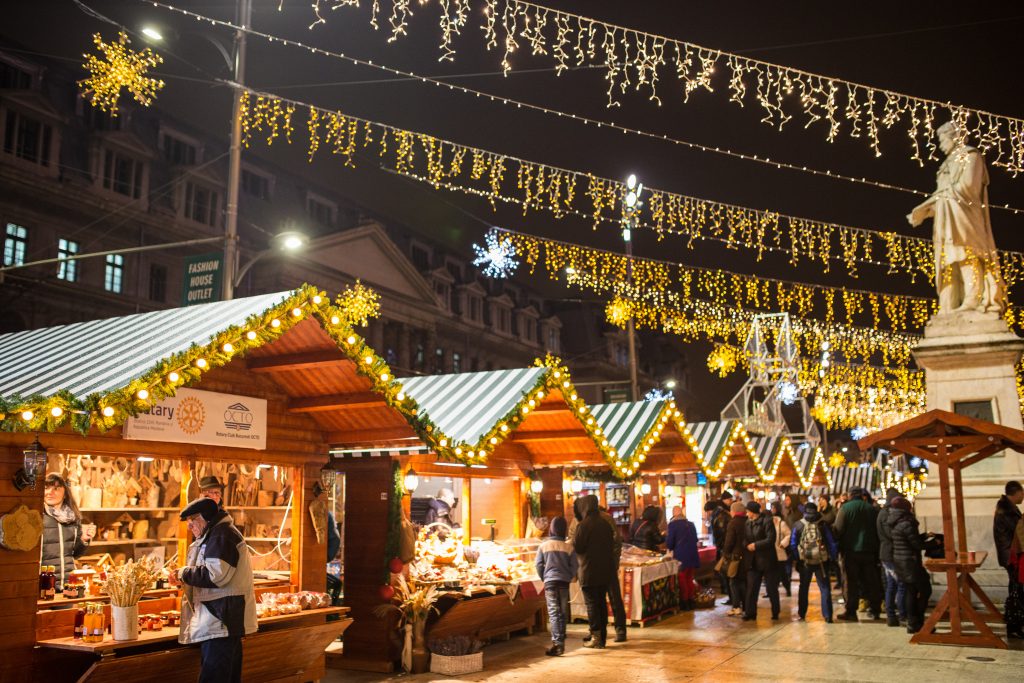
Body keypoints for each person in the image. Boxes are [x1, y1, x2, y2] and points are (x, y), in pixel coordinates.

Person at [908, 120, 1004, 313]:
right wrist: (927, 209)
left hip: (966, 215)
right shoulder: (945, 164)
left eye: (942, 140)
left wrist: (934, 200)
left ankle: (974, 298)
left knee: (967, 253)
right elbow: (943, 192)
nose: (941, 145)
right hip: (946, 218)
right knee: (949, 258)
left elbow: (969, 187)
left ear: (954, 137)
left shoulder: (971, 156)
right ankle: (949, 305)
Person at [171, 497, 257, 683]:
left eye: (192, 522)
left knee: (215, 677)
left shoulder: (221, 535)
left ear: (203, 519)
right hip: (222, 619)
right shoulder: (216, 534)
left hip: (220, 619)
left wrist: (183, 574)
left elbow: (214, 575)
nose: (189, 527)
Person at [833, 487, 882, 621]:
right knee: (871, 581)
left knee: (851, 582)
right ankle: (875, 609)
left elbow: (838, 529)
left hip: (850, 551)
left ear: (850, 495)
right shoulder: (871, 508)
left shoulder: (845, 508)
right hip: (870, 550)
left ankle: (851, 611)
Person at [573, 494, 615, 649]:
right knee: (601, 603)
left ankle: (596, 636)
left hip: (588, 570)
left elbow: (578, 547)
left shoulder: (583, 525)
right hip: (605, 571)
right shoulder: (605, 524)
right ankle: (602, 637)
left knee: (592, 604)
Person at [41, 473, 95, 588]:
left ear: (65, 493)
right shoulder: (37, 516)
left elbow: (75, 555)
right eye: (46, 488)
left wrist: (84, 539)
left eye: (56, 488)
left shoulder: (72, 517)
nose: (50, 492)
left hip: (68, 583)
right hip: (43, 583)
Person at [886, 497, 931, 634]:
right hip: (910, 563)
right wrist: (935, 544)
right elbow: (916, 544)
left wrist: (924, 535)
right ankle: (917, 621)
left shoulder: (895, 521)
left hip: (901, 562)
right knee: (925, 590)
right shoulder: (906, 522)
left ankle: (913, 623)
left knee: (911, 591)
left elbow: (908, 539)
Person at [536, 516, 578, 657]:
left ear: (552, 528)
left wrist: (544, 577)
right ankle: (561, 638)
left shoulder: (543, 546)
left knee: (554, 612)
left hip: (550, 582)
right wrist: (568, 576)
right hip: (564, 583)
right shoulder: (569, 547)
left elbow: (538, 565)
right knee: (563, 612)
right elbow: (574, 565)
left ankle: (557, 644)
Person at [790, 502, 837, 623]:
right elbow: (831, 543)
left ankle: (802, 613)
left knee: (804, 588)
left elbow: (793, 544)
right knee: (825, 588)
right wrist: (832, 557)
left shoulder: (798, 525)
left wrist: (797, 558)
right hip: (821, 562)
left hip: (805, 562)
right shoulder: (823, 524)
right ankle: (828, 615)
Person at [994, 480, 1024, 635]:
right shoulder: (1006, 510)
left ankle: (1015, 624)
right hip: (1011, 557)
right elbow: (1018, 531)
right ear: (1016, 492)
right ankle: (1014, 626)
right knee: (1016, 591)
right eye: (1022, 492)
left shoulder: (1007, 508)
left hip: (1011, 556)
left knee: (1016, 590)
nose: (1023, 495)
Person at [742, 501, 780, 621]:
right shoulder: (747, 523)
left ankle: (775, 611)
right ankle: (750, 613)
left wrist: (756, 545)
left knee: (771, 588)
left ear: (753, 512)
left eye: (748, 511)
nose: (746, 514)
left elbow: (771, 539)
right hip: (753, 561)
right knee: (752, 588)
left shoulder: (767, 521)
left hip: (767, 560)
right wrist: (747, 545)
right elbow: (745, 538)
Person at [877, 488, 907, 627]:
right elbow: (890, 534)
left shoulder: (884, 513)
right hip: (890, 554)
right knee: (899, 584)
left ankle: (892, 615)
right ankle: (900, 615)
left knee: (892, 585)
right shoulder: (886, 514)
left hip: (887, 553)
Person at [597, 505, 627, 642]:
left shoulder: (603, 518)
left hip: (599, 565)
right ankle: (619, 630)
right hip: (608, 564)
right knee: (614, 598)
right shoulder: (607, 518)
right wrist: (614, 562)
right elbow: (617, 541)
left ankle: (599, 632)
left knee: (600, 599)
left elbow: (616, 541)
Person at [666, 505, 699, 610]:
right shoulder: (691, 524)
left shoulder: (673, 525)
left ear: (674, 514)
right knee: (690, 578)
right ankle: (691, 600)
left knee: (682, 579)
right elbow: (696, 539)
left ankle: (684, 602)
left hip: (681, 556)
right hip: (692, 554)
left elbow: (669, 543)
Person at [722, 501, 748, 616]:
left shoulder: (733, 523)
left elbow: (729, 541)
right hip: (747, 555)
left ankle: (736, 606)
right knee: (744, 581)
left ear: (734, 511)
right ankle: (746, 606)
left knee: (733, 581)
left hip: (735, 556)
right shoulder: (748, 521)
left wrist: (725, 553)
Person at [710, 492, 734, 599]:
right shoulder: (722, 513)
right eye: (729, 499)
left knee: (725, 570)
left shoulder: (720, 512)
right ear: (724, 500)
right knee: (725, 570)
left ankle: (729, 592)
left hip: (723, 546)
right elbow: (722, 532)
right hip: (724, 547)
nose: (730, 502)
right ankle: (727, 591)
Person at [770, 501, 793, 597]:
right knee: (772, 574)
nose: (772, 510)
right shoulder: (769, 521)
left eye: (774, 508)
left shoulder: (781, 523)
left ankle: (787, 588)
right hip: (770, 552)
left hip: (779, 552)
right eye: (772, 508)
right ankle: (772, 591)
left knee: (782, 574)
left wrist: (783, 544)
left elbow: (788, 534)